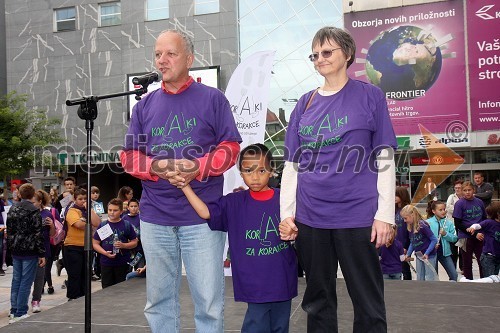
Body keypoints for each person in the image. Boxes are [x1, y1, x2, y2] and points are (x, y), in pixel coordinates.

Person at [120, 28, 242, 332]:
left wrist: (197, 167)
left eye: (170, 53)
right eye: (158, 54)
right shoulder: (144, 106)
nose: (162, 60)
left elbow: (231, 148)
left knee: (209, 304)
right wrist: (156, 166)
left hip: (202, 218)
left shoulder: (213, 99)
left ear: (189, 58)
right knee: (159, 302)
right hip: (155, 216)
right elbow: (128, 156)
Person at [278, 26, 397, 332]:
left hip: (358, 215)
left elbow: (384, 156)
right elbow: (292, 164)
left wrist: (385, 215)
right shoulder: (303, 104)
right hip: (311, 218)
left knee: (368, 303)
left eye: (327, 52)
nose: (320, 59)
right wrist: (287, 215)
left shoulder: (370, 96)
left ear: (347, 54)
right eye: (315, 54)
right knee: (317, 301)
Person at [183, 144, 297, 333]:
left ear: (271, 171)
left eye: (261, 170)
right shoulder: (234, 202)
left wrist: (294, 231)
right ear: (241, 173)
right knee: (255, 325)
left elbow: (299, 227)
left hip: (282, 280)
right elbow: (205, 212)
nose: (255, 176)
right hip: (254, 282)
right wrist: (185, 186)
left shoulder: (284, 200)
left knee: (280, 327)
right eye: (248, 170)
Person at [6, 183, 46, 323]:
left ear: (20, 194)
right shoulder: (33, 211)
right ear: (32, 194)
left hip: (16, 249)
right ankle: (21, 312)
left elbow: (9, 231)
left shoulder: (12, 208)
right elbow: (37, 234)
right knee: (26, 281)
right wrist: (42, 254)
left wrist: (11, 248)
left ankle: (14, 310)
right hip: (29, 250)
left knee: (16, 280)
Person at [63, 188, 100, 300]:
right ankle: (73, 296)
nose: (83, 201)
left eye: (85, 199)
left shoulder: (88, 210)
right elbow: (78, 224)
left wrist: (89, 210)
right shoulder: (72, 210)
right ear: (75, 199)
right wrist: (88, 222)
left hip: (87, 246)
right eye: (80, 199)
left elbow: (97, 223)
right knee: (75, 273)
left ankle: (84, 295)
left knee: (86, 273)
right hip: (72, 246)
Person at [93, 198, 138, 288]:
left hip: (122, 263)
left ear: (121, 211)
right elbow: (95, 243)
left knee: (121, 289)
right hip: (106, 263)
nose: (112, 212)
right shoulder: (103, 225)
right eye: (110, 210)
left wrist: (124, 245)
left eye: (115, 210)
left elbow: (135, 242)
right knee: (106, 289)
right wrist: (104, 253)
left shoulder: (126, 225)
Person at [453, 181, 486, 280]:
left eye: (469, 190)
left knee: (482, 261)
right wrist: (473, 233)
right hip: (465, 237)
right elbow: (458, 224)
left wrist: (480, 232)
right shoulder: (459, 204)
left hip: (480, 235)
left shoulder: (479, 202)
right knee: (467, 262)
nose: (467, 192)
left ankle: (483, 280)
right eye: (465, 190)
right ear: (462, 192)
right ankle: (469, 282)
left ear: (473, 190)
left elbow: (484, 219)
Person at [30, 190, 56, 313]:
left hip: (44, 248)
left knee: (40, 277)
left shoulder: (47, 213)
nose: (31, 203)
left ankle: (36, 300)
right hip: (29, 249)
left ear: (40, 202)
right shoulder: (28, 213)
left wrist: (52, 225)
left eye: (33, 201)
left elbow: (52, 234)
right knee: (25, 277)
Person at [401, 205, 438, 281]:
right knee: (419, 277)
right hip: (419, 255)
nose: (404, 221)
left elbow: (434, 240)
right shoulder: (410, 227)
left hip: (429, 255)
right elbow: (413, 242)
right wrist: (408, 254)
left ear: (412, 215)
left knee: (429, 277)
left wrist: (427, 253)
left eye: (406, 218)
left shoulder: (422, 226)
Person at [426, 200, 458, 281]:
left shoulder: (449, 223)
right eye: (440, 210)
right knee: (433, 276)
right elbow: (424, 238)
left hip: (445, 253)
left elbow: (454, 238)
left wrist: (445, 234)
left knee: (454, 274)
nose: (443, 211)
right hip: (432, 253)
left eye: (444, 209)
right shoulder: (428, 223)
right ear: (433, 211)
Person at [466, 201, 500, 276]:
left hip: (498, 256)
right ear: (497, 214)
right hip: (488, 256)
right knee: (490, 278)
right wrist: (472, 228)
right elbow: (477, 225)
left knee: (495, 277)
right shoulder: (489, 223)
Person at [395, 186, 412, 280]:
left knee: (405, 268)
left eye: (396, 195)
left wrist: (406, 246)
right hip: (394, 244)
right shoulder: (393, 210)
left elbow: (410, 230)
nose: (394, 198)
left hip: (404, 244)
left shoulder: (408, 210)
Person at [446, 180, 462, 268]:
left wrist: (456, 208)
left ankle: (462, 267)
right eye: (456, 188)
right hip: (452, 224)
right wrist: (460, 209)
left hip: (462, 224)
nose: (457, 189)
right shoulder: (451, 197)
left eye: (459, 188)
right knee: (453, 247)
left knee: (463, 248)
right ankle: (453, 266)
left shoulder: (464, 197)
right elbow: (448, 207)